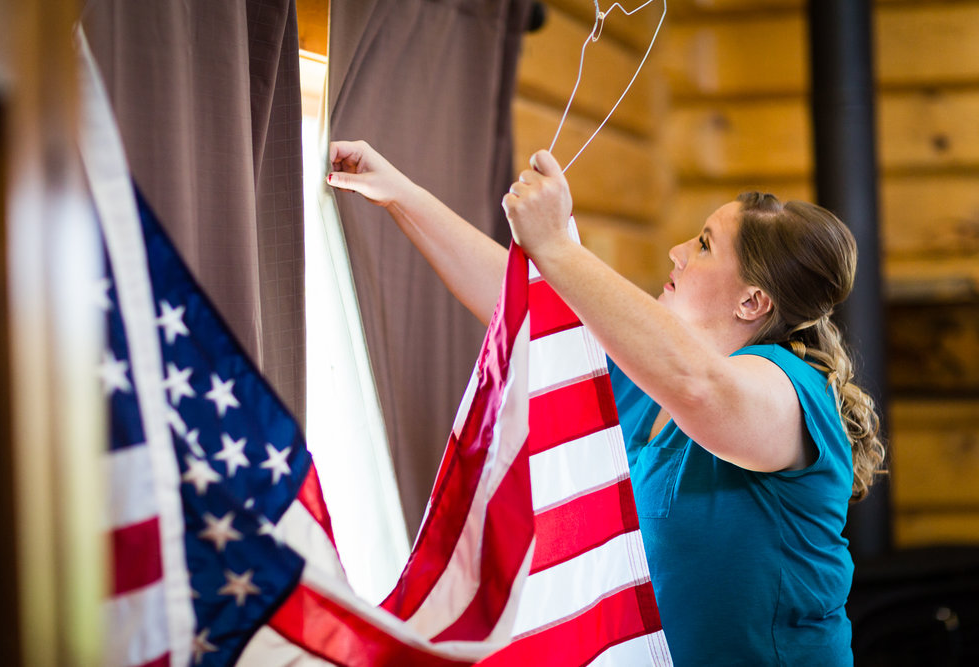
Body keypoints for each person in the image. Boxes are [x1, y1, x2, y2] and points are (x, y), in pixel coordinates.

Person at [326, 139, 886, 665]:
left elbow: (703, 388)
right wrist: (399, 192)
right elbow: (524, 307)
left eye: (704, 243)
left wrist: (555, 247)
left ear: (752, 301)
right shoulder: (649, 377)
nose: (678, 251)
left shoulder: (790, 391)